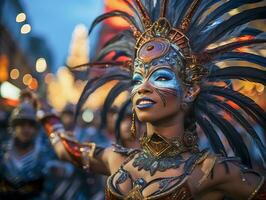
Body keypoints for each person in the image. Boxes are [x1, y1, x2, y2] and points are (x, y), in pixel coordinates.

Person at [39, 0, 266, 199]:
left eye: (161, 77)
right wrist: (43, 112)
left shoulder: (211, 171)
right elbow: (64, 148)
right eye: (137, 79)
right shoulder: (116, 159)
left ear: (190, 91)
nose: (143, 88)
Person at [0, 98, 56, 199]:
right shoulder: (3, 149)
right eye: (22, 124)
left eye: (31, 125)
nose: (26, 129)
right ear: (14, 127)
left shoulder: (45, 153)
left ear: (36, 129)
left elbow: (49, 187)